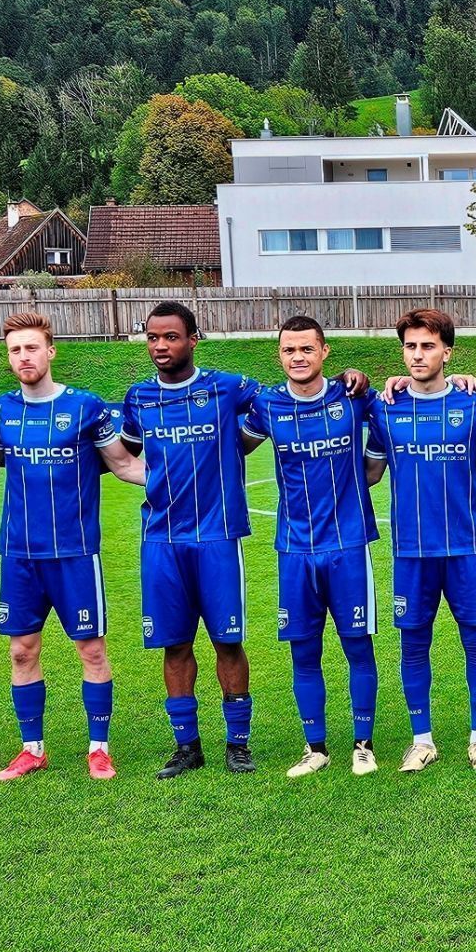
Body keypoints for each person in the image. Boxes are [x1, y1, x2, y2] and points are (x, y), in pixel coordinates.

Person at [120, 302, 372, 779]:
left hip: (218, 534)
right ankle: (186, 746)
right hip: (161, 537)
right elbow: (121, 454)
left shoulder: (230, 388)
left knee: (226, 641)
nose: (160, 346)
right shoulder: (137, 398)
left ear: (194, 338)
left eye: (170, 337)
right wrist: (148, 479)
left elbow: (294, 398)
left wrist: (349, 374)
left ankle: (238, 743)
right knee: (174, 645)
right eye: (152, 337)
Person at [0, 312, 147, 782]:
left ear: (50, 350)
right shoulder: (1, 410)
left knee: (91, 650)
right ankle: (32, 749)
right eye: (14, 350)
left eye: (31, 347)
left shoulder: (85, 407)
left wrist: (188, 479)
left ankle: (99, 748)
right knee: (22, 652)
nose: (23, 356)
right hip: (20, 555)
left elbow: (125, 466)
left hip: (75, 552)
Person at [368, 309, 476, 771]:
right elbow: (369, 473)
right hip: (411, 551)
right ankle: (422, 740)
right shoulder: (384, 408)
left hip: (466, 547)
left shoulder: (474, 406)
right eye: (411, 346)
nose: (418, 354)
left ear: (447, 352)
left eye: (428, 345)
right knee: (413, 644)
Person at [242, 316, 388, 779]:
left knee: (357, 647)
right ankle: (315, 747)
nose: (298, 357)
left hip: (348, 544)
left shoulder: (352, 397)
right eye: (289, 351)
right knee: (303, 651)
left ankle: (363, 745)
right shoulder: (267, 406)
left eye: (307, 349)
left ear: (324, 352)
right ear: (279, 356)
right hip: (294, 548)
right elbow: (230, 448)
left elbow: (391, 410)